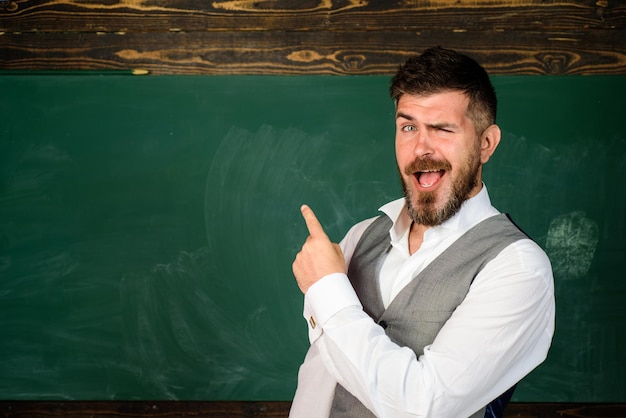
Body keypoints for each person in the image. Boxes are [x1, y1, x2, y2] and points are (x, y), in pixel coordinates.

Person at [290, 47, 555, 418]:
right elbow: (317, 381)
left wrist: (327, 290)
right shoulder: (361, 236)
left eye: (443, 129)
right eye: (408, 127)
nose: (420, 148)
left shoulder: (518, 267)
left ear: (486, 144)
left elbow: (424, 406)